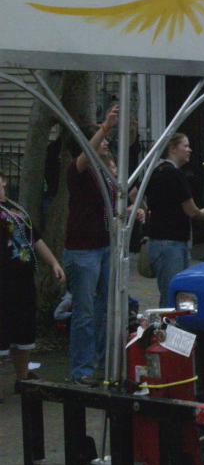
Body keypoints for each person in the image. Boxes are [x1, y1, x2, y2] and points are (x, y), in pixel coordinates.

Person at [62, 107, 124, 386]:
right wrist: (105, 127)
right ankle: (82, 369)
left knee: (104, 309)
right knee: (85, 312)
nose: (107, 143)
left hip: (105, 247)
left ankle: (102, 360)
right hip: (83, 250)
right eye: (102, 140)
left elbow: (119, 200)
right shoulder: (79, 171)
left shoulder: (105, 174)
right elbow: (87, 152)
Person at [0, 169, 65, 398]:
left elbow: (35, 239)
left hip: (23, 281)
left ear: (4, 180)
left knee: (23, 331)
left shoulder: (18, 210)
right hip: (2, 283)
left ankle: (23, 378)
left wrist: (54, 262)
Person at [145, 133, 204, 308]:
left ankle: (166, 331)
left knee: (169, 295)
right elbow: (191, 210)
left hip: (159, 242)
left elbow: (135, 193)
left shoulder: (156, 171)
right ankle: (167, 332)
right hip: (170, 244)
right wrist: (203, 213)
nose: (190, 150)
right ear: (172, 149)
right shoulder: (175, 174)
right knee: (173, 297)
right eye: (185, 146)